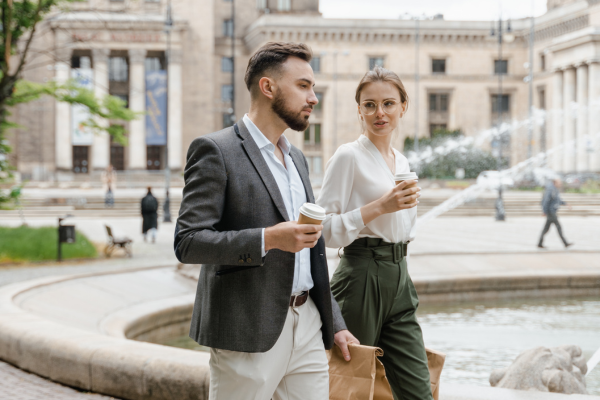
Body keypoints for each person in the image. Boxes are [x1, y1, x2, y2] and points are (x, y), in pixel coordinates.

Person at [174, 42, 356, 400]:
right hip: (247, 329)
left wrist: (334, 323)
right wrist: (268, 239)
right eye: (303, 86)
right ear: (268, 87)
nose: (314, 98)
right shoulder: (216, 150)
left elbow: (312, 248)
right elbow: (188, 241)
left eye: (313, 87)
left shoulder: (298, 159)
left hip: (307, 325)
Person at [317, 66, 432, 400]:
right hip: (361, 275)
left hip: (399, 275)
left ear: (403, 107)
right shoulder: (348, 156)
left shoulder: (401, 161)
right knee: (348, 387)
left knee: (417, 389)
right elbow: (323, 230)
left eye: (388, 104)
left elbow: (401, 225)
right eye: (369, 105)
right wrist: (381, 206)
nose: (379, 113)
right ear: (359, 110)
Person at [538, 178, 573, 249]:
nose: (560, 184)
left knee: (546, 229)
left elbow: (557, 200)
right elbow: (546, 201)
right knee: (558, 227)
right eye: (559, 183)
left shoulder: (555, 190)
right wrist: (544, 211)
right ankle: (565, 243)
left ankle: (540, 243)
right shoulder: (550, 190)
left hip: (552, 211)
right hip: (551, 212)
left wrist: (565, 204)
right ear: (555, 183)